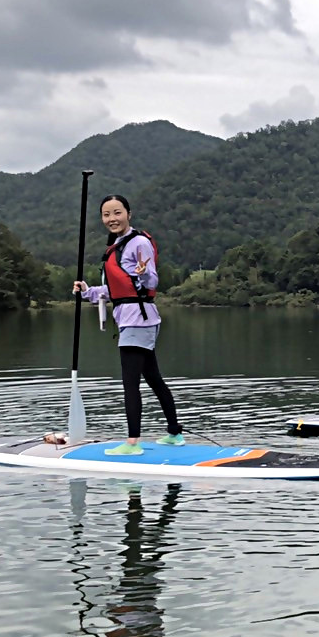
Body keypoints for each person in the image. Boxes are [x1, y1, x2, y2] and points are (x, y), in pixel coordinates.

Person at [70, 194, 184, 455]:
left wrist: (144, 273)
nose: (112, 218)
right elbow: (116, 290)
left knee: (130, 382)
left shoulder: (139, 243)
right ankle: (175, 434)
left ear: (128, 214)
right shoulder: (117, 245)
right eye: (106, 214)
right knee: (154, 379)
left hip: (138, 320)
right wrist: (87, 291)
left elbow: (151, 282)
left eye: (117, 212)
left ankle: (133, 443)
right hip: (133, 319)